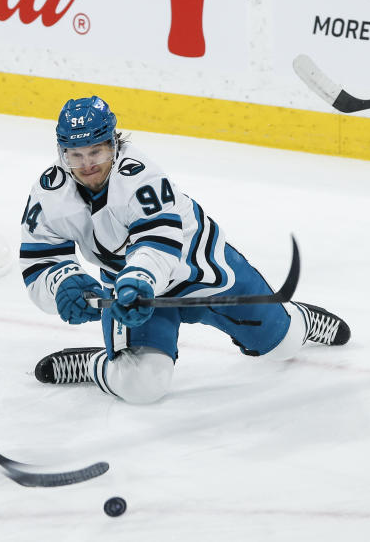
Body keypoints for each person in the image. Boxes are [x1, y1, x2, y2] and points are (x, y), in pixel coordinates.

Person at [22, 95, 350, 404]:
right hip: (133, 293)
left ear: (113, 143)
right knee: (143, 387)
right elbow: (39, 261)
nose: (87, 164)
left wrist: (137, 279)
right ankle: (97, 365)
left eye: (96, 152)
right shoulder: (50, 191)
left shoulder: (141, 177)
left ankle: (298, 319)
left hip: (201, 268)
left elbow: (159, 243)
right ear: (62, 152)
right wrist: (62, 284)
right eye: (75, 155)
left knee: (285, 344)